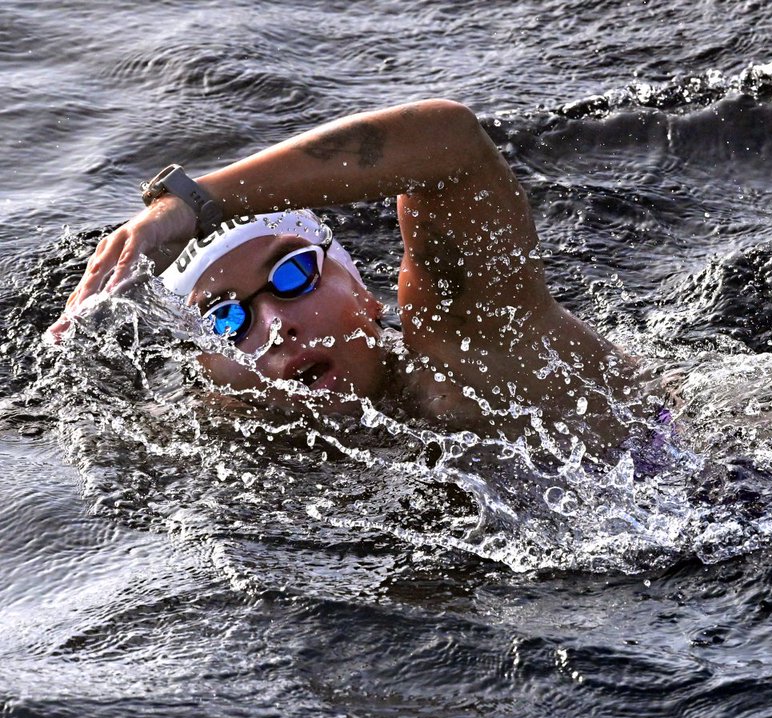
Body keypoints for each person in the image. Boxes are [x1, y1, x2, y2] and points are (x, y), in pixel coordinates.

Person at [47, 100, 658, 459]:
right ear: (211, 367)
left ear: (364, 292)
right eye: (226, 319)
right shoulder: (228, 436)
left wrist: (195, 202)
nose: (276, 324)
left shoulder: (466, 347)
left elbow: (451, 145)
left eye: (292, 276)